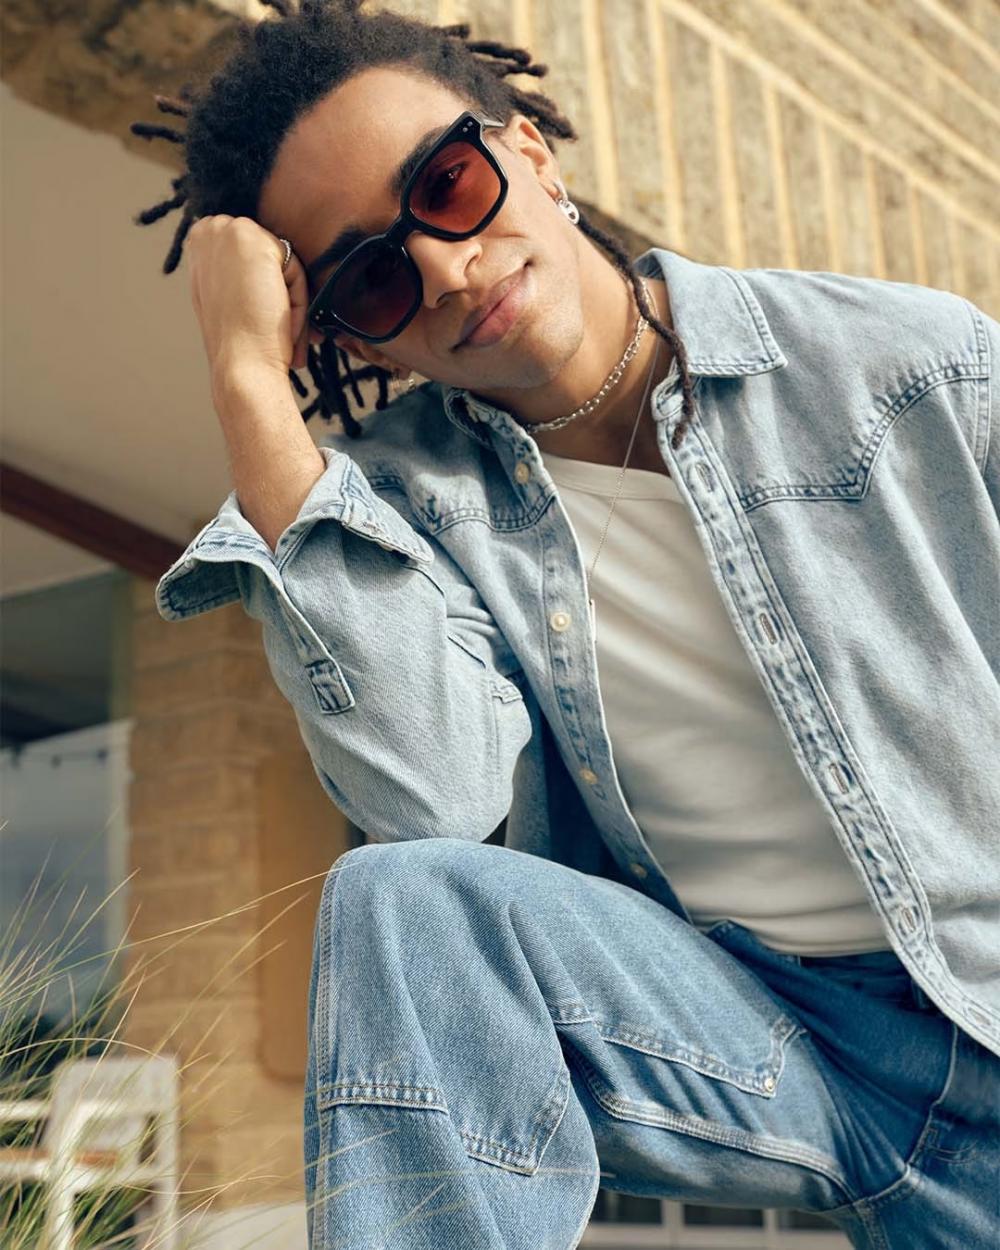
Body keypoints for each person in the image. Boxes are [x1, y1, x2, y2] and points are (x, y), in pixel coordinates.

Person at [132, 1, 1000, 1246]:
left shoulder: (903, 367)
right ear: (345, 331)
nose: (444, 269)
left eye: (447, 184)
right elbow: (434, 800)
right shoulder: (412, 507)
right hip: (788, 1051)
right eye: (372, 276)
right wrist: (247, 386)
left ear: (531, 152)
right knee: (407, 900)